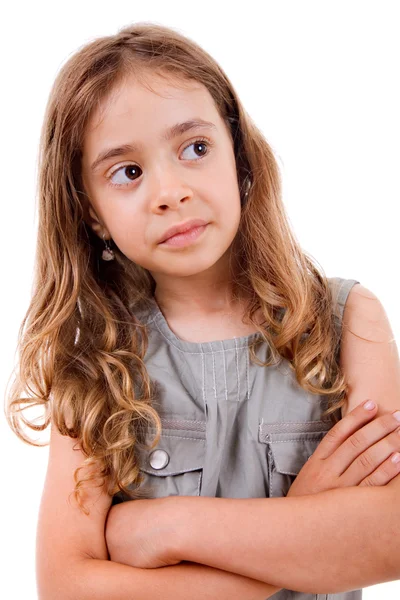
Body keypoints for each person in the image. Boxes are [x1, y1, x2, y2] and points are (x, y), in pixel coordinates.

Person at [5, 22, 400, 600]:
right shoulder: (97, 360)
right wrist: (308, 529)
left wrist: (165, 530)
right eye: (129, 172)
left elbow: (389, 534)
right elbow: (67, 586)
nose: (169, 190)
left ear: (237, 154)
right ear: (91, 213)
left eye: (195, 148)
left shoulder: (346, 324)